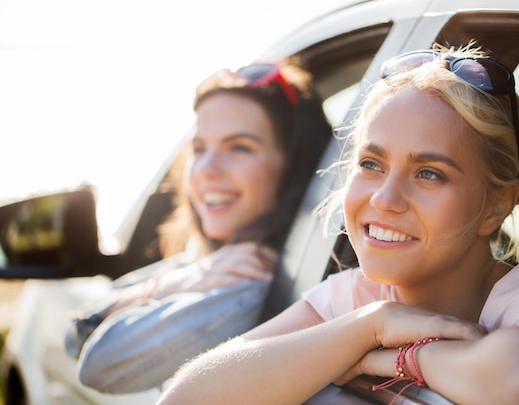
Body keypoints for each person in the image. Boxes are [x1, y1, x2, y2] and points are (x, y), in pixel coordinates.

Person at [155, 43, 519, 405]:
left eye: (429, 173)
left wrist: (381, 359)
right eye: (371, 164)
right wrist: (371, 327)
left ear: (497, 206)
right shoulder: (355, 298)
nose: (384, 199)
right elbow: (184, 398)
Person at [64, 56, 333, 394]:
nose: (206, 169)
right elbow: (76, 330)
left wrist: (182, 282)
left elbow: (97, 365)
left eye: (239, 147)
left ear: (293, 167)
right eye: (200, 148)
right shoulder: (213, 262)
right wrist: (181, 281)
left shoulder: (250, 279)